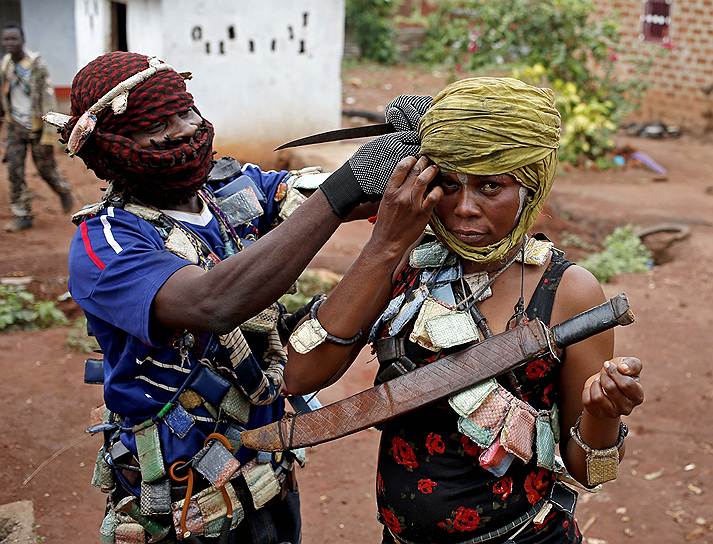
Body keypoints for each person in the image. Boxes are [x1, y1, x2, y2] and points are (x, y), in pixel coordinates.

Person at [55, 50, 427, 543]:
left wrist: (419, 148)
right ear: (112, 147)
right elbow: (213, 303)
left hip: (264, 479)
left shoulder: (230, 189)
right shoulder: (105, 244)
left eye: (187, 111)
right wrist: (343, 190)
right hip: (182, 506)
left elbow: (323, 196)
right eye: (157, 126)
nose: (185, 129)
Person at [284, 77, 645, 544]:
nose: (464, 209)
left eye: (490, 187)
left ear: (530, 187)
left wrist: (602, 413)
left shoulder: (568, 292)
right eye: (449, 184)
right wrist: (385, 245)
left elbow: (586, 469)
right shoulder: (406, 263)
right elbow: (301, 375)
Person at [0, 23, 73, 232]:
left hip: (38, 127)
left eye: (14, 39)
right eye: (6, 39)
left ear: (23, 40)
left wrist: (50, 131)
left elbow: (48, 97)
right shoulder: (6, 64)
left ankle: (63, 190)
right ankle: (22, 214)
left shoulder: (36, 66)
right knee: (14, 170)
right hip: (15, 126)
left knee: (45, 170)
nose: (10, 43)